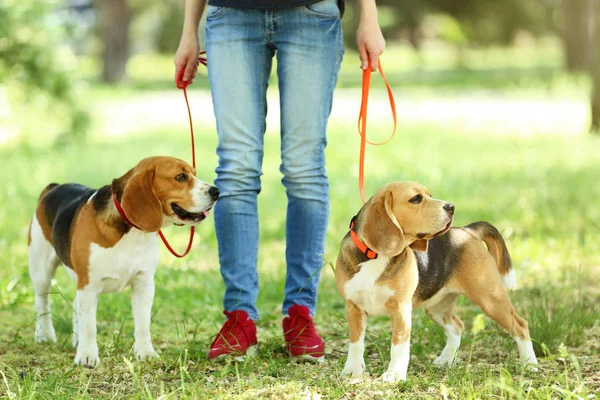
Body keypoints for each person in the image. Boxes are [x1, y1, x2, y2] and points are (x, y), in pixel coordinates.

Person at [174, 0, 385, 361]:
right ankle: (239, 316)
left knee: (304, 167)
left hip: (312, 14)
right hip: (231, 15)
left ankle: (300, 315)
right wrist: (188, 31)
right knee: (235, 168)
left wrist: (369, 16)